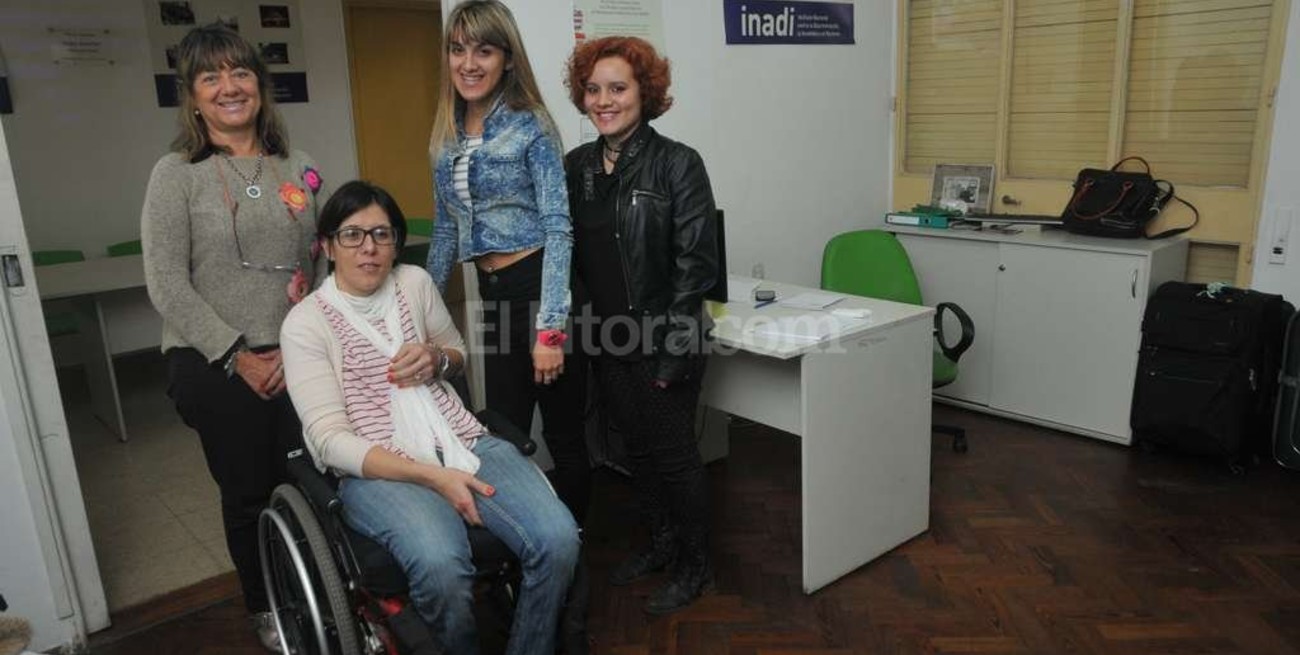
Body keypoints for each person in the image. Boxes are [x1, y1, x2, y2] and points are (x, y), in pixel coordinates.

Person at [280, 180, 579, 655]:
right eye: (353, 235)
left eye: (382, 234)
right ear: (328, 245)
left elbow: (456, 352)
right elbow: (329, 442)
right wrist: (433, 478)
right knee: (441, 565)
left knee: (559, 538)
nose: (369, 247)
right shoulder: (306, 324)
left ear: (396, 242)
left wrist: (436, 361)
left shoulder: (415, 284)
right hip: (381, 470)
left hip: (460, 440)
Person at [141, 24, 326, 651]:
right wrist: (236, 354)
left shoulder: (297, 166)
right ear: (192, 96)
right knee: (249, 494)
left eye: (240, 72)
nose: (229, 87)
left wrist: (304, 337)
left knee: (310, 481)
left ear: (260, 84)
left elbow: (321, 263)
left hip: (298, 354)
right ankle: (267, 607)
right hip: (213, 361)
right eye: (211, 76)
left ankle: (318, 590)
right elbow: (165, 282)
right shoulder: (176, 175)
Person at [563, 36, 721, 614]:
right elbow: (571, 257)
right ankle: (659, 545)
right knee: (637, 456)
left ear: (645, 94)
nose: (604, 100)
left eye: (618, 88)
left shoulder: (678, 163)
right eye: (594, 89)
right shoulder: (577, 167)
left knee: (675, 459)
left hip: (661, 344)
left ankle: (695, 566)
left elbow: (695, 266)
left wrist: (672, 354)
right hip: (607, 343)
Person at [425, 0, 591, 527]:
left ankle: (574, 548)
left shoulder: (530, 124)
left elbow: (559, 227)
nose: (468, 63)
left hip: (541, 289)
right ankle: (526, 547)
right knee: (501, 433)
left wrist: (550, 332)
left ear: (507, 60)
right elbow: (447, 230)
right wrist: (418, 309)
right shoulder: (446, 134)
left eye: (484, 50)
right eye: (458, 49)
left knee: (563, 435)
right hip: (492, 295)